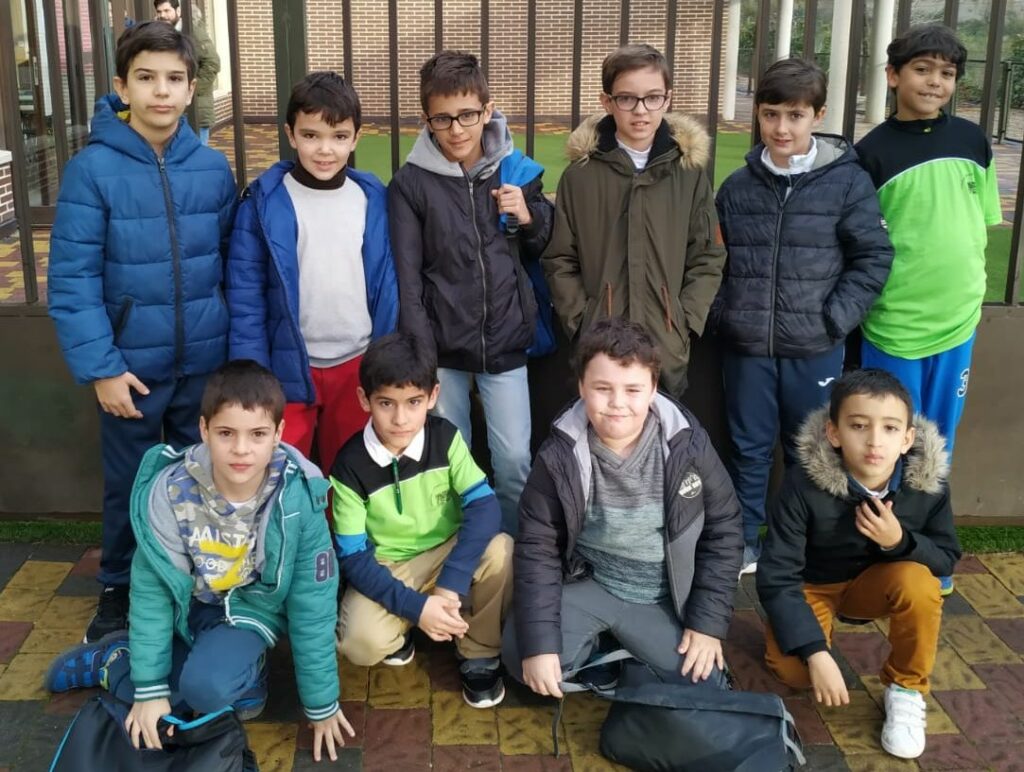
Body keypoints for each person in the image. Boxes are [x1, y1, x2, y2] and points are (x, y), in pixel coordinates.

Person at [45, 361, 355, 763]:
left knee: (205, 691)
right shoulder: (170, 492)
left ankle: (184, 666)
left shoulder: (298, 497)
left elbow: (313, 605)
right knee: (160, 700)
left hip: (248, 612)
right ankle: (114, 660)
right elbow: (153, 592)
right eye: (226, 433)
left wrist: (322, 704)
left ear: (278, 434)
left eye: (257, 434)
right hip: (186, 609)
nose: (241, 449)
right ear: (204, 429)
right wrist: (149, 689)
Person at [47, 21, 237, 643]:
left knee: (201, 480)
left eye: (174, 79)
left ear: (191, 89)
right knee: (131, 484)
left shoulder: (212, 168)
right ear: (122, 86)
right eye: (147, 78)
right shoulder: (91, 171)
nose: (161, 91)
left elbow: (230, 262)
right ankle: (119, 588)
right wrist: (102, 367)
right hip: (129, 370)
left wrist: (230, 356)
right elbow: (72, 278)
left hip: (203, 365)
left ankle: (199, 584)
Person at [712, 58, 893, 575]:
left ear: (817, 115)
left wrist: (832, 321)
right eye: (771, 114)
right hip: (747, 346)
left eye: (795, 115)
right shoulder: (737, 187)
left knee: (810, 451)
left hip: (814, 347)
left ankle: (798, 546)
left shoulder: (847, 183)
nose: (781, 128)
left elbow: (873, 257)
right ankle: (744, 541)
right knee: (747, 448)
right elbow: (713, 261)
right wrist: (727, 315)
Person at [503, 318, 742, 697]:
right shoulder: (559, 455)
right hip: (591, 582)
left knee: (703, 685)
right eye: (602, 388)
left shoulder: (688, 446)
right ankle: (605, 648)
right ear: (582, 387)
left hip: (663, 596)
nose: (617, 403)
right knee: (523, 659)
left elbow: (724, 530)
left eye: (633, 389)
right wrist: (540, 645)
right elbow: (538, 546)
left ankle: (630, 653)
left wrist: (707, 625)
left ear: (653, 389)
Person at [756, 369, 961, 760]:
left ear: (907, 439)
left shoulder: (926, 485)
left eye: (889, 428)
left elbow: (946, 557)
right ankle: (802, 633)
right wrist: (816, 652)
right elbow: (777, 574)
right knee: (795, 673)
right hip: (812, 585)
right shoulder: (802, 484)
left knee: (920, 583)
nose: (874, 441)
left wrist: (899, 541)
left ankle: (906, 689)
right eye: (859, 426)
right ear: (834, 433)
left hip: (876, 584)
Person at [389, 50, 554, 533]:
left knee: (514, 463)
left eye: (467, 115)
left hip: (505, 342)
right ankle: (463, 553)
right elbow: (408, 277)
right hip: (443, 349)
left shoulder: (515, 170)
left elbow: (542, 244)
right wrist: (422, 357)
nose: (457, 129)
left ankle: (511, 556)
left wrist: (529, 216)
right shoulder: (410, 185)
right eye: (442, 119)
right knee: (450, 466)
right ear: (426, 120)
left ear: (487, 110)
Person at [227, 71, 397, 474]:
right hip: (287, 366)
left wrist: (387, 355)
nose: (325, 149)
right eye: (311, 135)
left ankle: (343, 522)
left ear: (356, 138)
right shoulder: (263, 202)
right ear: (290, 133)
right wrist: (252, 371)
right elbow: (246, 294)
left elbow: (389, 282)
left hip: (357, 363)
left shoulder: (372, 197)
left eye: (339, 136)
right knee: (283, 473)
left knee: (351, 474)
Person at [331, 333, 512, 708]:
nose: (400, 419)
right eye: (386, 403)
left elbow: (484, 506)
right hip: (389, 564)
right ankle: (411, 621)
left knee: (502, 550)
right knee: (360, 645)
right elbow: (353, 557)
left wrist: (451, 582)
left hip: (446, 551)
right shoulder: (349, 466)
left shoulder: (445, 437)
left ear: (432, 396)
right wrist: (416, 608)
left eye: (413, 402)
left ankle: (479, 650)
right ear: (364, 399)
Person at [542, 44, 726, 398]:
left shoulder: (688, 174)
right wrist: (582, 320)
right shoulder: (580, 177)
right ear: (607, 102)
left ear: (667, 99)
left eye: (652, 97)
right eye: (627, 99)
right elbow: (560, 258)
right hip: (601, 344)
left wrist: (684, 320)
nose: (641, 110)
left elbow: (707, 255)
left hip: (665, 343)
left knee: (663, 429)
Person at [856, 24, 1001, 459]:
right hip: (894, 324)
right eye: (922, 69)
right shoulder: (870, 153)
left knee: (939, 442)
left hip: (957, 318)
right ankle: (886, 503)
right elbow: (861, 242)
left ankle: (930, 504)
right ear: (893, 75)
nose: (935, 81)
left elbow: (983, 222)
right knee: (888, 438)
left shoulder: (973, 141)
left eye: (947, 73)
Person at [154, 0, 220, 145]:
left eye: (167, 11)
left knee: (196, 153)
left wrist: (190, 90)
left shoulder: (192, 31)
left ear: (178, 11)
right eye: (159, 12)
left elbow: (212, 63)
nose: (162, 15)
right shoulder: (162, 34)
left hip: (196, 109)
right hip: (173, 109)